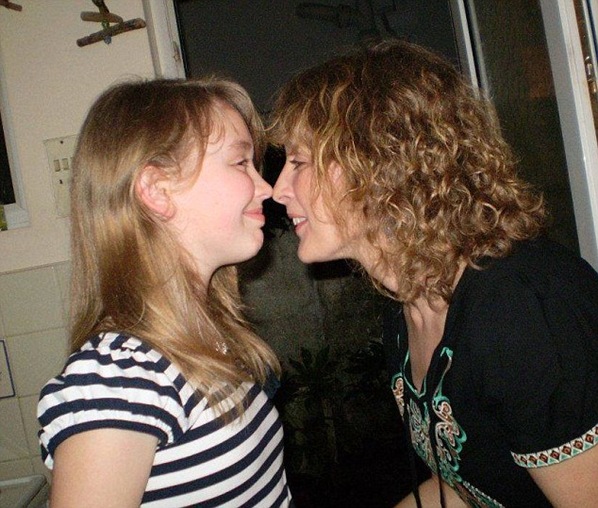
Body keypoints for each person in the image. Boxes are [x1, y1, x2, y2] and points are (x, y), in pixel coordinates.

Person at [270, 38, 598, 507]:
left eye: (298, 161)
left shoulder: (521, 309)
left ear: (381, 165)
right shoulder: (408, 303)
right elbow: (466, 482)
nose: (278, 188)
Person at [37, 78, 293, 507]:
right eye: (239, 163)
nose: (266, 188)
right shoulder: (121, 379)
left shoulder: (207, 338)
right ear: (157, 191)